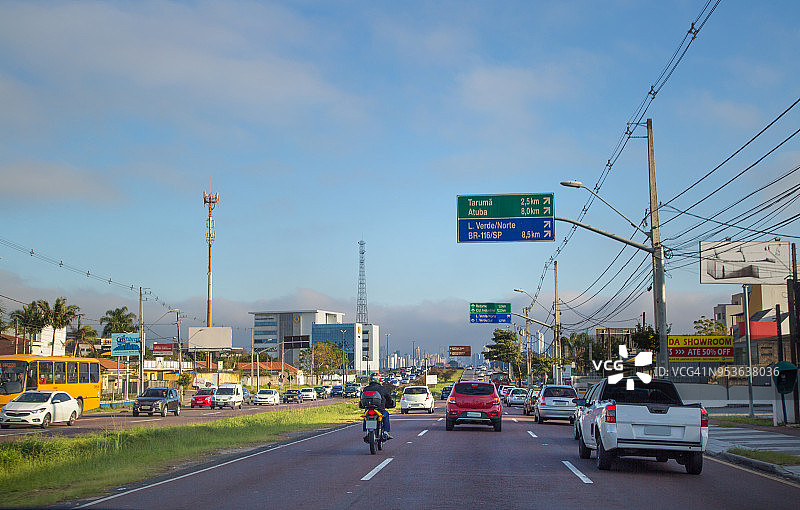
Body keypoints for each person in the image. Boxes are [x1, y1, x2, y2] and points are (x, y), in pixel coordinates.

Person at [361, 373, 393, 441]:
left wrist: (362, 406)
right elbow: (389, 399)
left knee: (366, 417)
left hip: (368, 409)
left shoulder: (365, 389)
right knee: (386, 415)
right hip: (380, 410)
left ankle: (366, 432)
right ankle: (385, 432)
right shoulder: (383, 388)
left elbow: (361, 400)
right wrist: (390, 404)